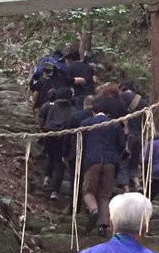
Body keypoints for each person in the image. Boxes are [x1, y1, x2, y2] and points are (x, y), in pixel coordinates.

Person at [80, 98, 125, 236]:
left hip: (92, 159)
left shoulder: (86, 123)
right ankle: (103, 226)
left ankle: (93, 210)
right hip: (110, 161)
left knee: (88, 190)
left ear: (93, 111)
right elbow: (122, 144)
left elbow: (81, 143)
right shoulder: (115, 125)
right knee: (105, 195)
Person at [39, 86, 78, 200]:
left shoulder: (49, 105)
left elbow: (41, 116)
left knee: (50, 156)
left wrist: (41, 129)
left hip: (49, 135)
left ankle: (47, 177)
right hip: (63, 138)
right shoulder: (73, 110)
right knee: (60, 162)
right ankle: (55, 191)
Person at [120, 82, 147, 190]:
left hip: (128, 135)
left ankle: (126, 189)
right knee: (134, 162)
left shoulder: (122, 96)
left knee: (123, 161)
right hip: (139, 136)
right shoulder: (142, 101)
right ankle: (137, 184)